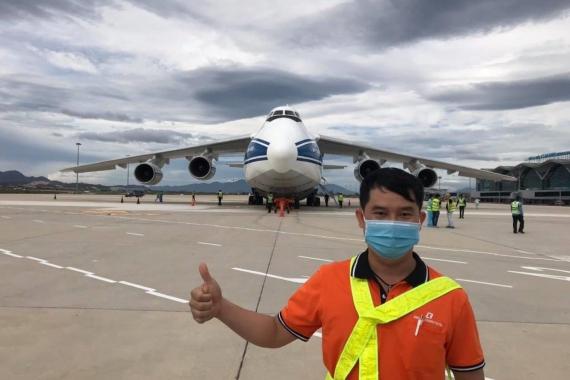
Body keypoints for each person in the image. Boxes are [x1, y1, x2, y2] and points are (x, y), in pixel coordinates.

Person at [189, 168, 485, 380]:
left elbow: (469, 374)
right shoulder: (329, 280)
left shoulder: (450, 298)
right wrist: (221, 308)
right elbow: (275, 333)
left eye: (405, 214)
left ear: (420, 220)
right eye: (380, 214)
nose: (393, 223)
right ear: (361, 219)